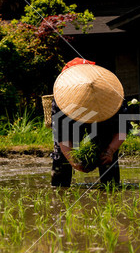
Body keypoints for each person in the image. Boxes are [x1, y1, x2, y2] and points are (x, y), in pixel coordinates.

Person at [50, 58, 127, 187]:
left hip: (104, 129)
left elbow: (122, 129)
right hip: (71, 128)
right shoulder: (60, 101)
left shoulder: (114, 96)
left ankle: (111, 188)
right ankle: (59, 191)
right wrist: (73, 161)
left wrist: (110, 151)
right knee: (61, 163)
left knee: (109, 166)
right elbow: (61, 136)